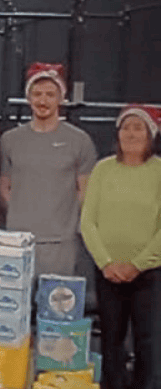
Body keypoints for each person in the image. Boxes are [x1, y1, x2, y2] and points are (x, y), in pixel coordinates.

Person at [81, 104, 161, 389]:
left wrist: (137, 264)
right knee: (112, 339)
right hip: (108, 272)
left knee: (148, 340)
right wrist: (107, 263)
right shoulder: (103, 169)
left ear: (151, 135)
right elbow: (87, 222)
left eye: (138, 127)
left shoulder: (159, 172)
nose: (131, 133)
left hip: (149, 273)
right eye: (125, 127)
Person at [0, 63, 97, 277]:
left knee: (57, 307)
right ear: (28, 98)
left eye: (50, 94)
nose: (43, 101)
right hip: (17, 240)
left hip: (61, 243)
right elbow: (3, 187)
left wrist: (61, 221)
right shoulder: (9, 140)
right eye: (37, 94)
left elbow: (85, 191)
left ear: (61, 98)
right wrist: (22, 214)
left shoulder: (79, 141)